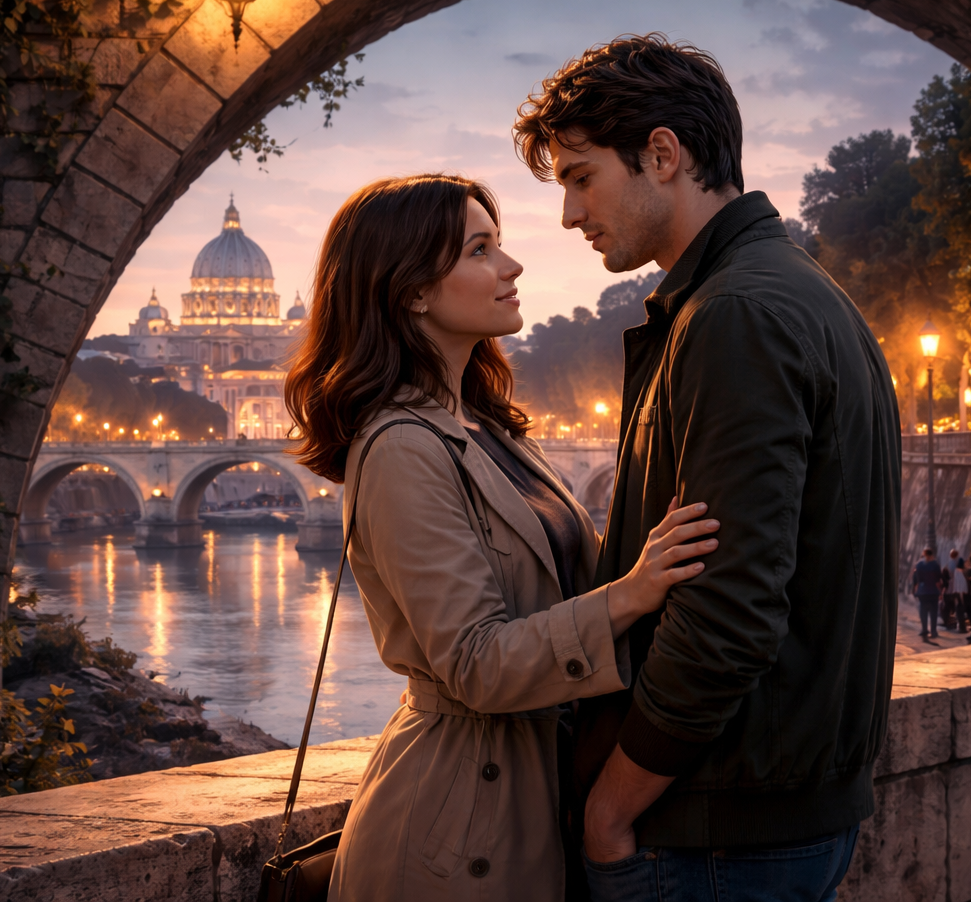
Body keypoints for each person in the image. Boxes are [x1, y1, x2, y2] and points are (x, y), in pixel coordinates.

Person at [514, 34, 901, 901]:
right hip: (765, 812)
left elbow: (726, 613)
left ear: (662, 155)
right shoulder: (799, 293)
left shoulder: (736, 316)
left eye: (581, 178)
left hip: (711, 830)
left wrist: (609, 812)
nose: (571, 216)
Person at [283, 174, 720, 901]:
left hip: (531, 796)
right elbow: (476, 664)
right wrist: (631, 594)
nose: (512, 266)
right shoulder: (399, 448)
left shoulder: (487, 430)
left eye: (499, 244)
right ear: (412, 290)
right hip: (453, 831)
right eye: (480, 249)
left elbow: (548, 583)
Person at [913, 548, 944, 639]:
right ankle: (933, 631)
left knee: (923, 611)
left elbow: (917, 579)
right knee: (933, 612)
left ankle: (924, 629)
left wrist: (916, 589)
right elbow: (938, 580)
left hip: (923, 591)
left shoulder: (919, 564)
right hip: (933, 591)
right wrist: (941, 592)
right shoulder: (935, 565)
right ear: (931, 555)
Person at [953, 558, 971, 635]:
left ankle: (961, 627)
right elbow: (961, 586)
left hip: (959, 594)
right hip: (962, 594)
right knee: (962, 611)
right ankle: (962, 628)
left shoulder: (957, 572)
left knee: (959, 611)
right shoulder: (961, 573)